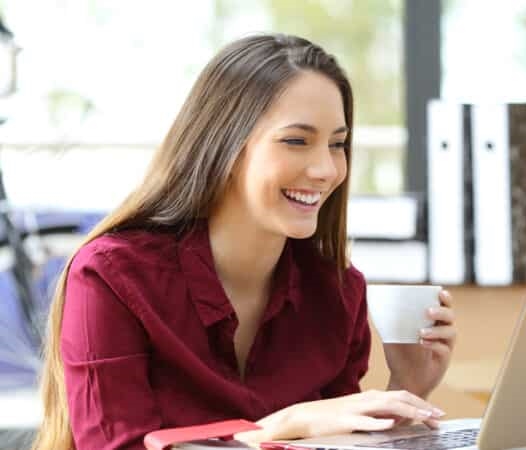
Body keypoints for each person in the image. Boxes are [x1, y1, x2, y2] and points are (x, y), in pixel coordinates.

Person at [31, 33, 457, 450]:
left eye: (338, 144)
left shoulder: (338, 294)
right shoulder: (111, 277)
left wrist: (406, 388)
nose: (326, 169)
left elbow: (334, 445)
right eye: (296, 141)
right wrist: (276, 428)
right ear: (225, 146)